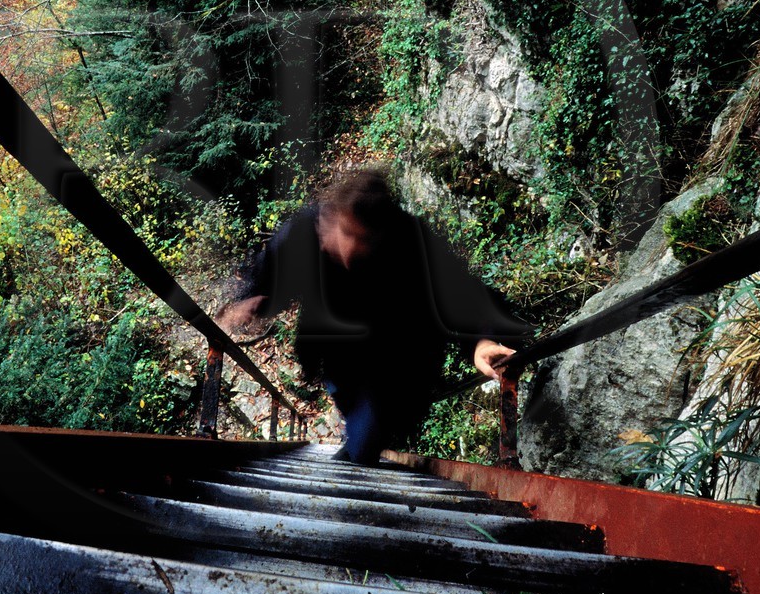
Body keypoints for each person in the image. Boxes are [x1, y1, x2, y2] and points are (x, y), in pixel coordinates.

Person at [217, 169, 531, 464]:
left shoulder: (411, 241)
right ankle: (354, 440)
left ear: (382, 234)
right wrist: (253, 301)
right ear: (327, 222)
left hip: (395, 357)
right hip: (335, 347)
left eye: (364, 240)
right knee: (345, 400)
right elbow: (269, 270)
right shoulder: (302, 231)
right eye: (345, 234)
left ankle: (355, 456)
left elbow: (462, 293)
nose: (352, 249)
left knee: (368, 433)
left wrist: (482, 340)